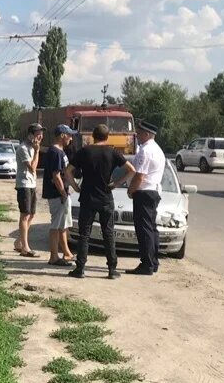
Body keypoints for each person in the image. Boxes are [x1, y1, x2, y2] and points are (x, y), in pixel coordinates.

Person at [65, 124, 136, 280]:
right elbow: (131, 170)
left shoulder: (84, 152)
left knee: (84, 234)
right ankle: (111, 269)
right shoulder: (112, 152)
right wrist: (116, 184)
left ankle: (80, 268)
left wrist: (76, 187)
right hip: (105, 198)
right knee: (108, 233)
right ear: (107, 137)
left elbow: (67, 171)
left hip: (88, 197)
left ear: (93, 136)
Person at [126, 120, 166, 275]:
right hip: (153, 192)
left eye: (140, 132)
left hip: (144, 193)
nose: (137, 134)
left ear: (147, 134)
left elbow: (139, 176)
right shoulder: (157, 149)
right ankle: (153, 262)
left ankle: (147, 264)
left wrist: (131, 190)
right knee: (151, 229)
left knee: (144, 230)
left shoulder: (146, 151)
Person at [43, 124, 77, 266]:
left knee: (62, 225)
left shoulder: (60, 151)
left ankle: (67, 252)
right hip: (57, 195)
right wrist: (63, 193)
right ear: (62, 135)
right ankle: (53, 257)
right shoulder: (55, 152)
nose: (71, 138)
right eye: (69, 135)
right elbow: (56, 176)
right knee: (56, 225)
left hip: (62, 193)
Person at [14, 123, 44, 257]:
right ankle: (25, 248)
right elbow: (32, 167)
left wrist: (36, 149)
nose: (40, 137)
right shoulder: (23, 148)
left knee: (31, 214)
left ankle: (19, 242)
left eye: (41, 134)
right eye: (38, 134)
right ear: (31, 135)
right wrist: (37, 151)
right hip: (24, 184)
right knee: (25, 214)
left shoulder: (33, 147)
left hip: (32, 184)